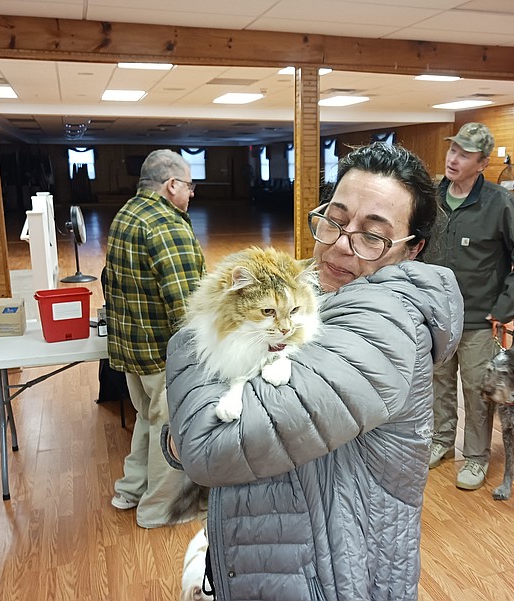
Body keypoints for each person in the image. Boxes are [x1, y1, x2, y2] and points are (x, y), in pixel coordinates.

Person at [164, 142, 464, 600]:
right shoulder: (308, 292)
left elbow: (207, 445)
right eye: (335, 219)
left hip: (334, 578)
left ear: (411, 249)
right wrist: (184, 430)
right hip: (277, 557)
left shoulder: (388, 327)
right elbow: (195, 434)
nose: (342, 244)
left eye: (372, 235)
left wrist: (201, 329)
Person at [424, 122, 514, 490]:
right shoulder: (431, 197)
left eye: (464, 154)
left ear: (483, 162)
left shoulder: (499, 202)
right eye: (452, 150)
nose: (453, 158)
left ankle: (475, 457)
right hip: (436, 315)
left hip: (477, 318)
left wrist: (505, 306)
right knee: (438, 383)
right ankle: (442, 442)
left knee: (476, 389)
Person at [104, 149, 206, 528]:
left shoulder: (127, 214)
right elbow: (187, 305)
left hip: (131, 350)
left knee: (148, 421)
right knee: (170, 432)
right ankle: (157, 511)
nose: (192, 194)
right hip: (163, 355)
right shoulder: (168, 224)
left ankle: (129, 491)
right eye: (189, 185)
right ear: (172, 185)